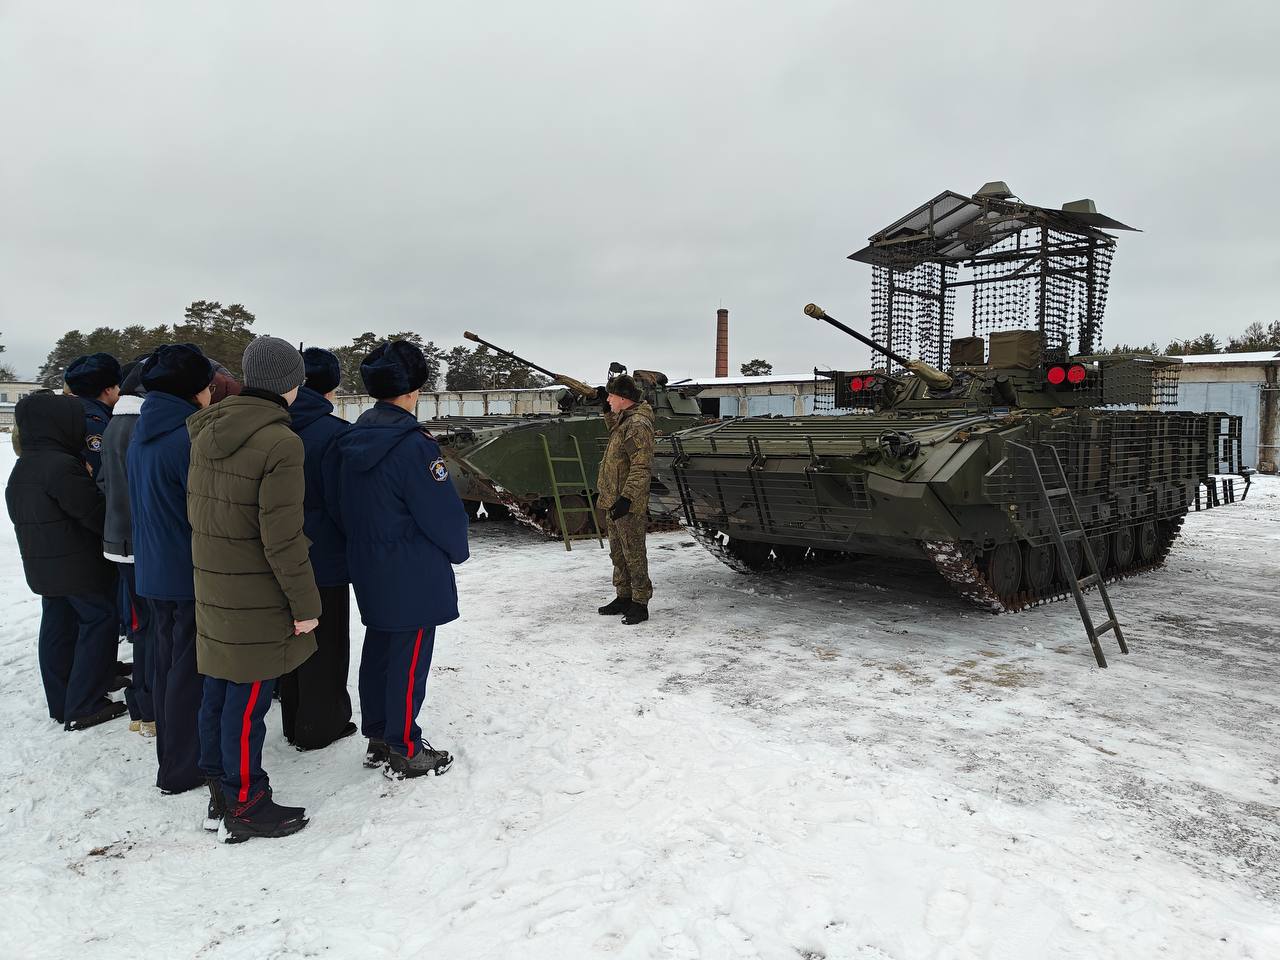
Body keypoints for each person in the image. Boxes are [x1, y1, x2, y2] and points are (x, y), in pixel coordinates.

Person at [188, 336, 319, 842]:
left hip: (216, 584)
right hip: (257, 592)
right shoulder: (281, 443)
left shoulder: (205, 430)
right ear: (292, 384)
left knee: (220, 692)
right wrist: (306, 605)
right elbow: (282, 537)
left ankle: (221, 794)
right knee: (247, 704)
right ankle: (246, 801)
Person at [331, 341, 469, 778]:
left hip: (369, 562)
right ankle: (405, 745)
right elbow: (441, 512)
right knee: (410, 657)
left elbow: (338, 504)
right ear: (412, 390)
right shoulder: (414, 446)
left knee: (380, 648)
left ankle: (378, 733)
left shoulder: (349, 440)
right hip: (412, 566)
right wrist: (456, 549)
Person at [5, 392, 127, 730]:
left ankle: (63, 701)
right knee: (99, 621)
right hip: (76, 566)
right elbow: (92, 512)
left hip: (45, 565)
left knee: (57, 627)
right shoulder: (60, 466)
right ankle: (84, 703)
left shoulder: (26, 464)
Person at [128, 344, 216, 795]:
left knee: (166, 667)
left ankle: (173, 757)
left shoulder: (145, 432)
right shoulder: (187, 440)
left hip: (154, 570)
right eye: (205, 386)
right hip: (184, 573)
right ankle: (183, 767)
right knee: (186, 673)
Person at [278, 347, 355, 751]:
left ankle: (293, 718)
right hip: (323, 556)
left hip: (277, 553)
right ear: (332, 385)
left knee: (290, 639)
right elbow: (343, 503)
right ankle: (321, 724)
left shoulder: (272, 427)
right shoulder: (334, 435)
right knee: (326, 643)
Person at [98, 359, 155, 736]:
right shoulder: (140, 425)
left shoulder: (116, 422)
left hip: (119, 538)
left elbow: (103, 479)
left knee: (144, 628)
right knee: (152, 631)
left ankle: (142, 704)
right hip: (141, 542)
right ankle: (147, 705)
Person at [595, 373, 655, 624]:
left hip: (626, 501)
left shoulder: (639, 424)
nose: (608, 399)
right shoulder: (625, 419)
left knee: (633, 553)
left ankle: (640, 603)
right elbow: (616, 432)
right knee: (618, 554)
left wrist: (627, 498)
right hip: (613, 497)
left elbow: (641, 466)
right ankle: (624, 596)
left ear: (623, 398)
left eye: (611, 396)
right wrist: (605, 410)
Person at [64, 352, 122, 476]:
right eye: (117, 386)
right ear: (108, 390)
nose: (120, 391)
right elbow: (101, 471)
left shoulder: (75, 412)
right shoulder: (95, 423)